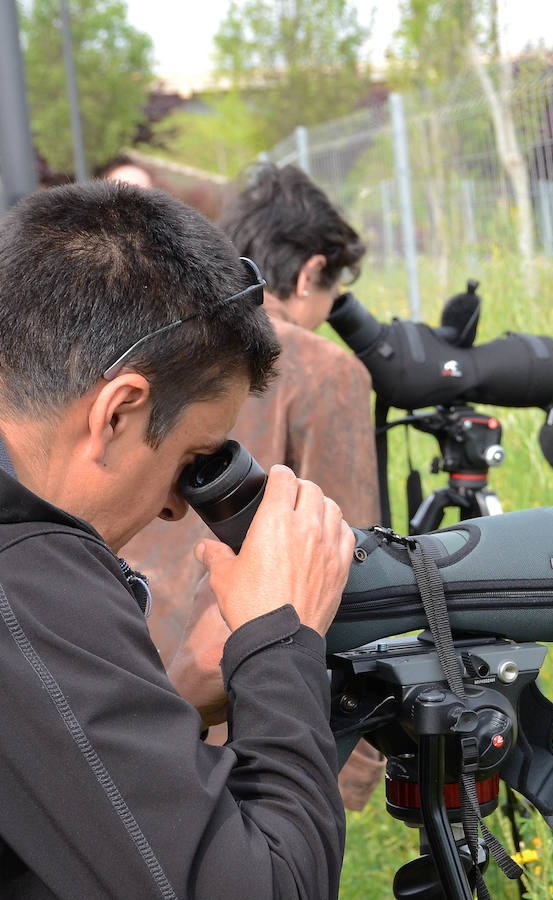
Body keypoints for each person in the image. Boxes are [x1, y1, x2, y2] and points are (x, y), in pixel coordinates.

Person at [0, 179, 354, 897]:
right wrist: (278, 646)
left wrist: (169, 704)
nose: (176, 511)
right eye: (193, 464)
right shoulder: (30, 579)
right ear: (119, 411)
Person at [121, 163, 387, 811]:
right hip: (242, 696)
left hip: (123, 675)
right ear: (307, 273)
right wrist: (350, 774)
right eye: (332, 295)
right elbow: (343, 553)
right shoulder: (327, 371)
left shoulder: (154, 343)